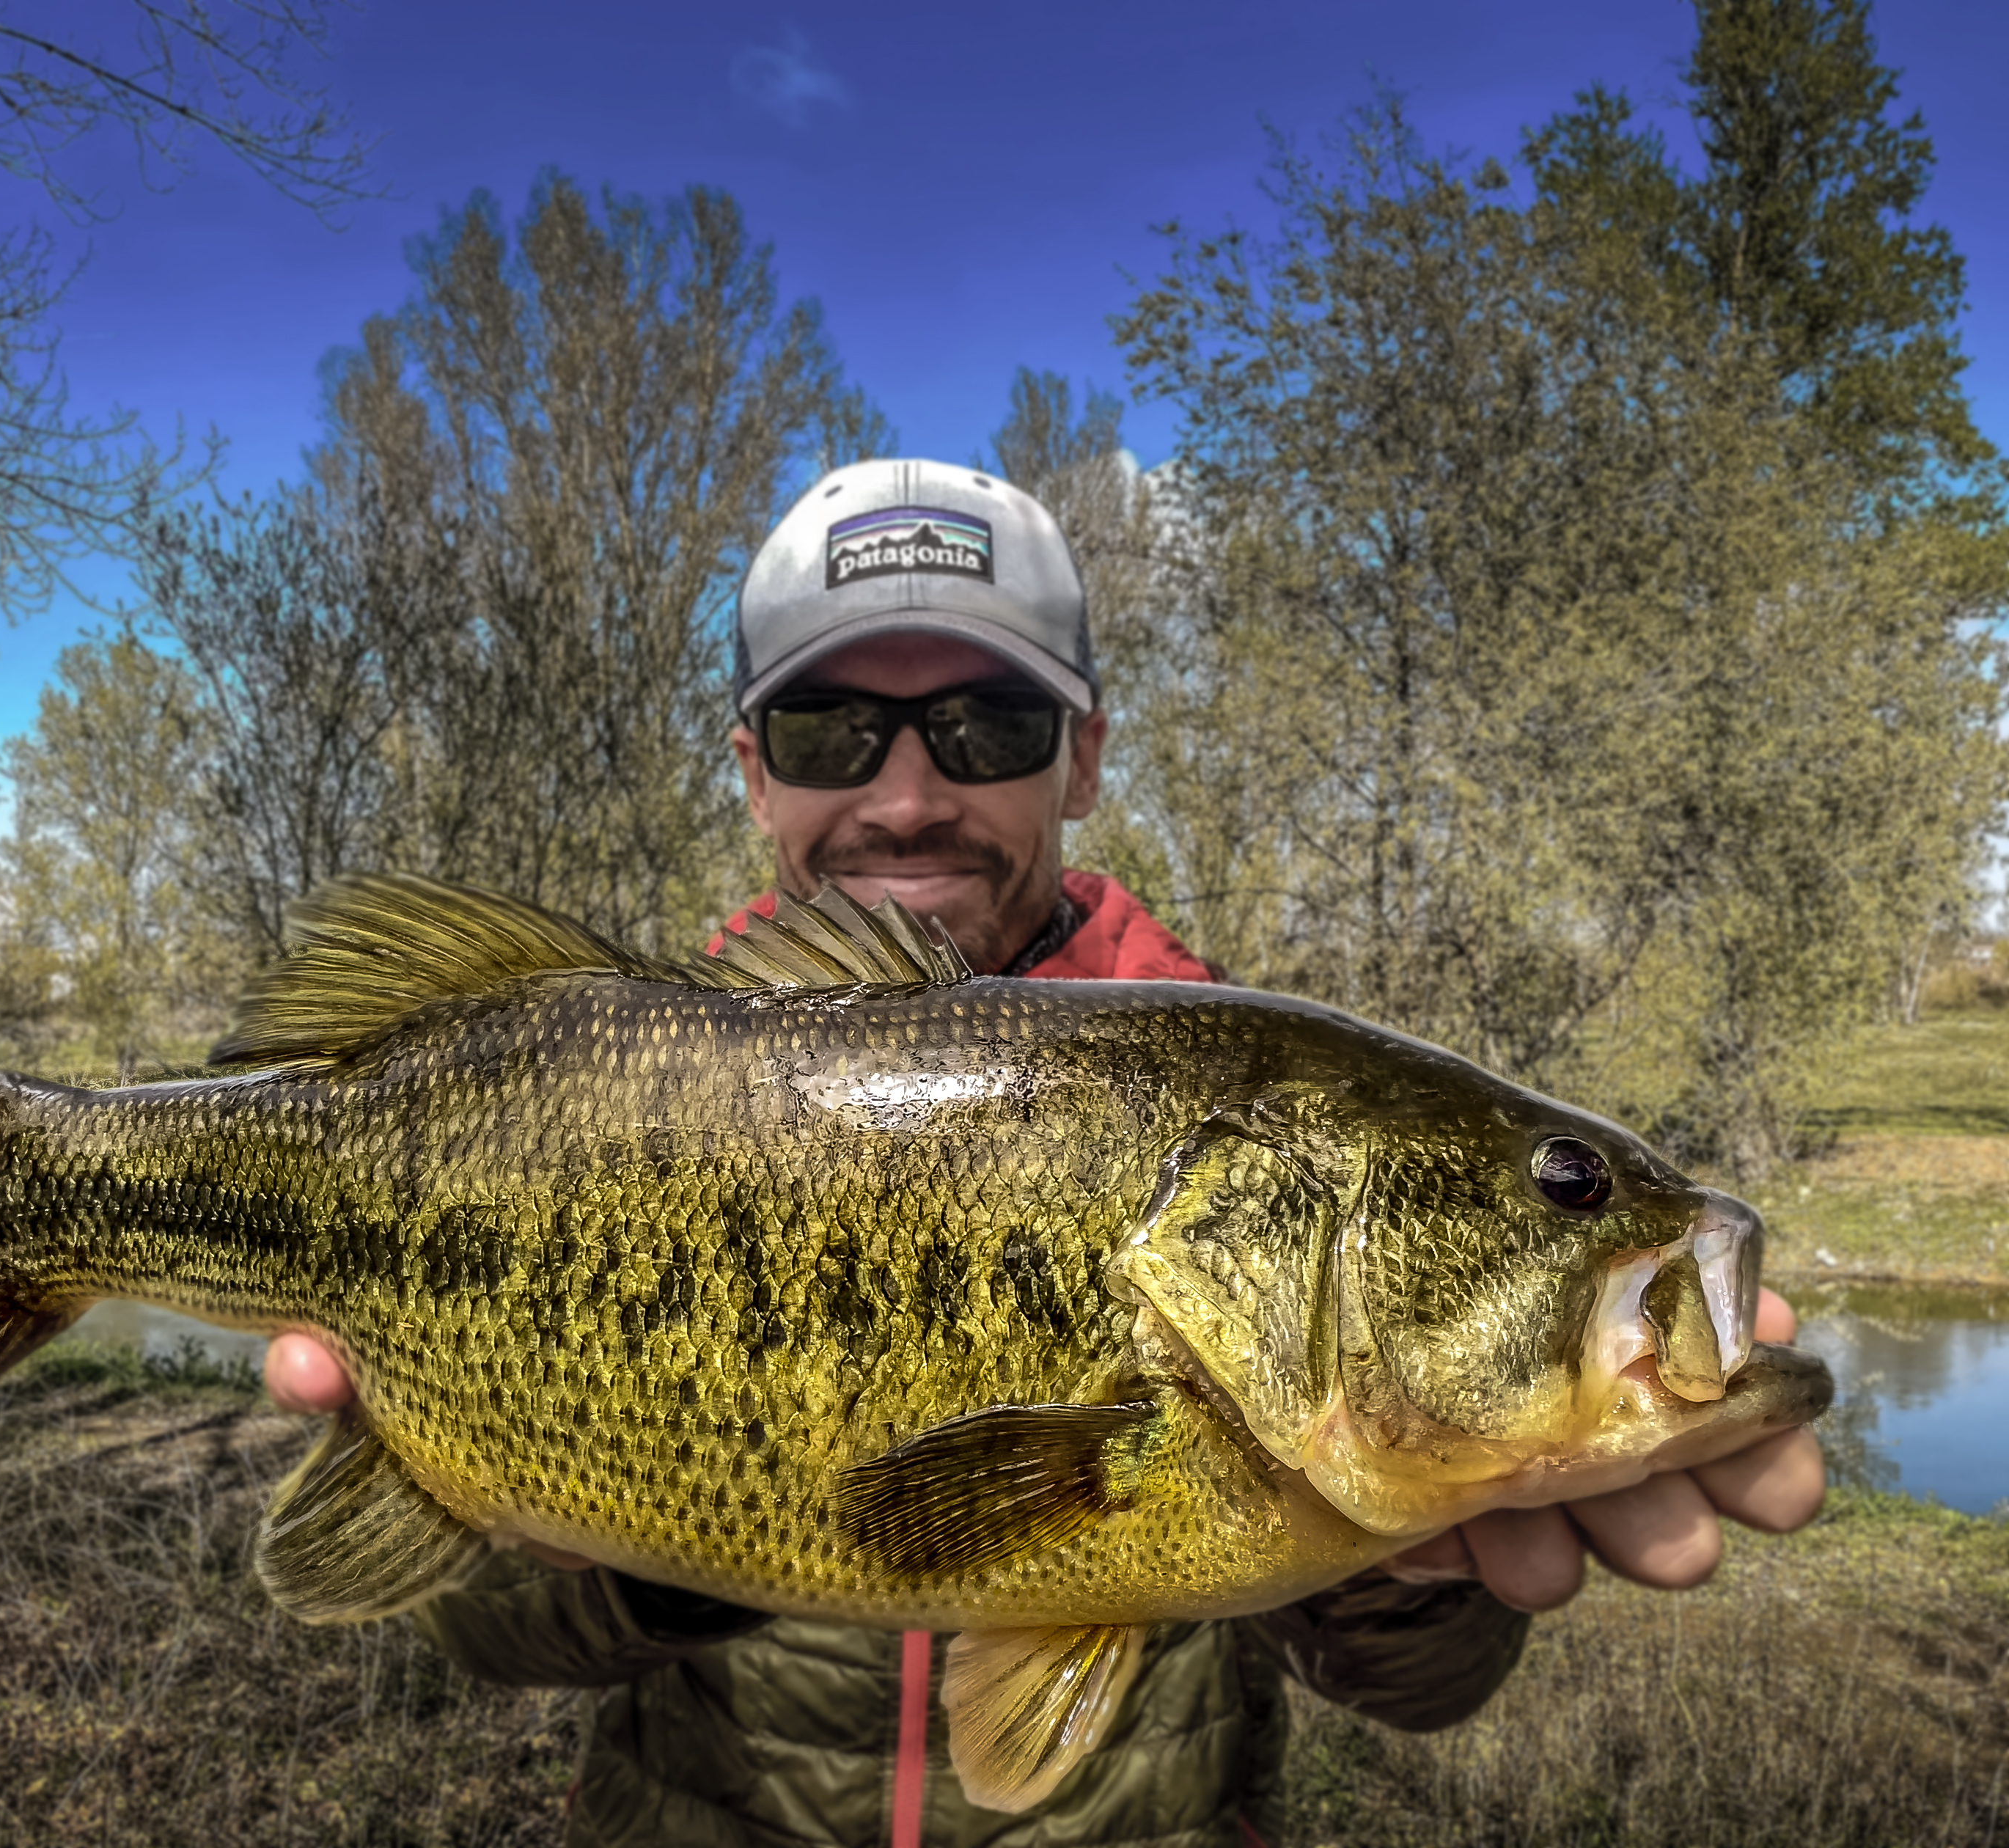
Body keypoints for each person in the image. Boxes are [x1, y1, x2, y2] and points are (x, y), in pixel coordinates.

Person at [262, 460, 1826, 1847]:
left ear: (1078, 759)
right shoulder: (578, 1092)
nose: (905, 793)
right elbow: (492, 1637)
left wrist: (1415, 1560)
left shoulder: (1262, 1076)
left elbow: (1412, 1688)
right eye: (828, 730)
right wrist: (645, 1522)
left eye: (984, 724)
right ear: (752, 772)